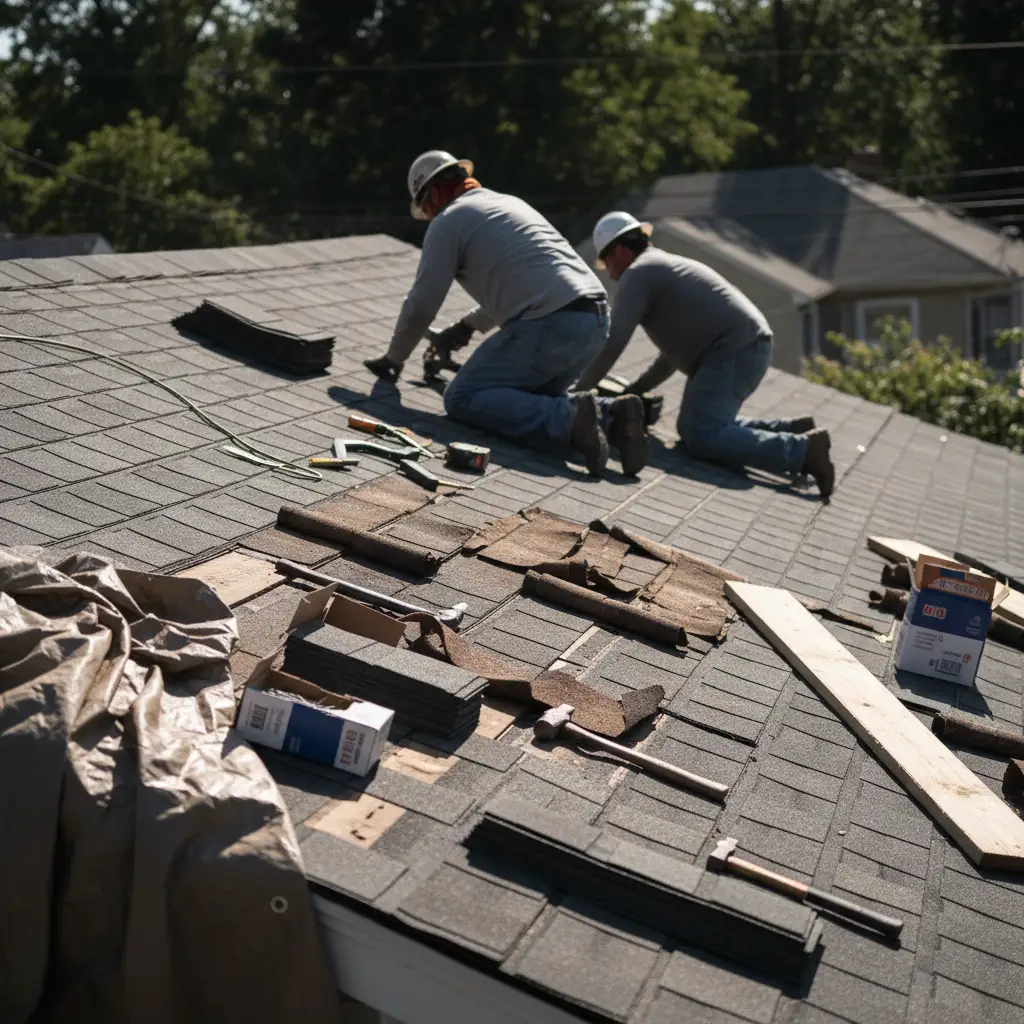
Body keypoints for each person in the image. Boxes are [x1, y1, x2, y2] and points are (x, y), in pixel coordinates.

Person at [363, 150, 648, 477]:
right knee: (519, 401)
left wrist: (394, 359)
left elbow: (424, 300)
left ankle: (571, 418)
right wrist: (467, 325)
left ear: (435, 192)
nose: (429, 217)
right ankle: (611, 415)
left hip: (552, 323)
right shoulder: (507, 204)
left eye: (425, 208)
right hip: (593, 321)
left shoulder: (449, 219)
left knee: (463, 397)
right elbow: (526, 285)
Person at [576, 212, 835, 497]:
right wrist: (636, 390)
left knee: (701, 434)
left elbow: (614, 341)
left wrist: (580, 393)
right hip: (741, 347)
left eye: (607, 262)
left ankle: (803, 451)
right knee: (699, 425)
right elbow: (670, 358)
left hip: (733, 350)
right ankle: (791, 431)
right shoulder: (660, 267)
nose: (610, 273)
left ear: (620, 251)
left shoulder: (639, 273)